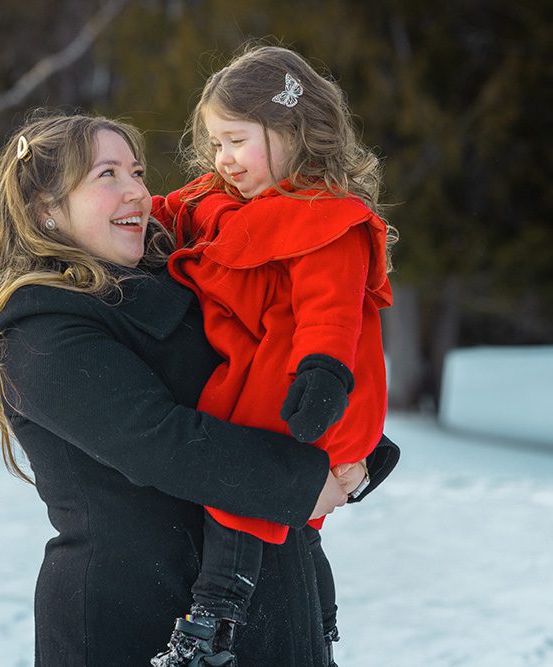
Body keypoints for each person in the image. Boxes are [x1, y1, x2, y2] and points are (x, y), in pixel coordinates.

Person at [0, 111, 398, 666]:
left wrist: (354, 452)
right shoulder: (39, 325)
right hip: (142, 616)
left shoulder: (183, 274)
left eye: (137, 172)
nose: (138, 193)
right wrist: (304, 480)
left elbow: (272, 358)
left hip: (270, 607)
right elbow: (161, 442)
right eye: (107, 175)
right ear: (45, 210)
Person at [149, 45, 399, 667]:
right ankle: (318, 619)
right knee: (292, 522)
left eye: (236, 141)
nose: (222, 158)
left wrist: (322, 372)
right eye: (214, 143)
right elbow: (167, 213)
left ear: (291, 131)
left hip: (306, 381)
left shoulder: (327, 219)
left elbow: (331, 311)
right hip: (259, 372)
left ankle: (213, 620)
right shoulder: (220, 200)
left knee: (246, 483)